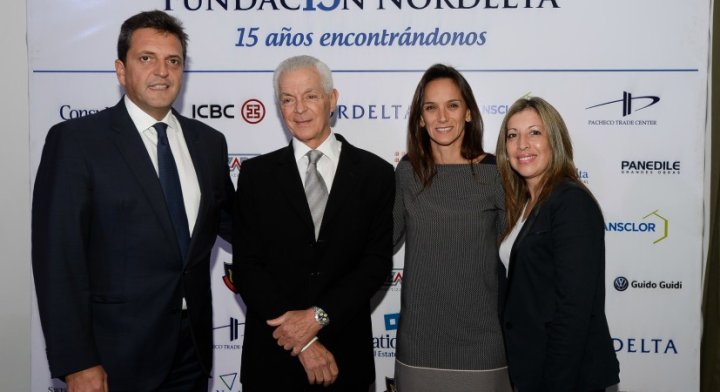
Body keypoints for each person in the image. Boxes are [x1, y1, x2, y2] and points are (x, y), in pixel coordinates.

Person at [31, 10, 234, 391]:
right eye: (147, 58)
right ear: (121, 70)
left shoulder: (208, 142)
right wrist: (78, 362)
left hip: (191, 353)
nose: (162, 71)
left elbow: (240, 226)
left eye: (173, 61)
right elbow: (58, 258)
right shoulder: (77, 142)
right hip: (111, 359)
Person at [232, 55, 394, 391]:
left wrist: (317, 317)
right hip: (273, 360)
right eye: (288, 100)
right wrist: (302, 341)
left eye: (311, 96)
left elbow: (375, 265)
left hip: (346, 357)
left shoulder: (375, 174)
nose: (299, 109)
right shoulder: (255, 176)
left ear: (332, 100)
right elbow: (248, 268)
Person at [392, 64, 511, 391]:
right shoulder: (407, 172)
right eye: (431, 107)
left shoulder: (496, 173)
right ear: (420, 117)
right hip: (419, 346)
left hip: (484, 346)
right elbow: (378, 244)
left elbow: (516, 258)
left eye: (452, 105)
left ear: (469, 113)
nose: (442, 117)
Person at [496, 96, 620, 391]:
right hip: (534, 369)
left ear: (555, 140)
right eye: (513, 135)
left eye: (534, 132)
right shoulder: (525, 206)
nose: (522, 144)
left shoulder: (570, 201)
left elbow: (574, 311)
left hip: (566, 376)